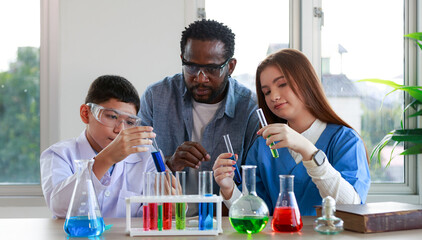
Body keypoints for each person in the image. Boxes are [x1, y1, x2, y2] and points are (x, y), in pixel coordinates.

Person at [213, 49, 371, 216]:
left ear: (306, 82)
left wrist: (308, 151)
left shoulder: (345, 141)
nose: (273, 96)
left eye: (282, 84)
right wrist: (229, 189)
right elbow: (255, 214)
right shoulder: (263, 146)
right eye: (266, 92)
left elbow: (351, 206)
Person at [139, 19, 259, 214]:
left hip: (224, 222)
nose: (200, 78)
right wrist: (170, 163)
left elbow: (255, 186)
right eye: (192, 67)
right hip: (163, 221)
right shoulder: (156, 97)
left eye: (211, 69)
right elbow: (131, 170)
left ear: (231, 67)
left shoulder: (249, 108)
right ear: (182, 59)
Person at [41, 75, 157, 218]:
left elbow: (148, 218)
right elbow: (60, 208)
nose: (120, 130)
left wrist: (169, 203)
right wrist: (106, 158)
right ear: (86, 114)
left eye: (129, 122)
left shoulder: (145, 158)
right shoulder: (59, 154)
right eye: (112, 116)